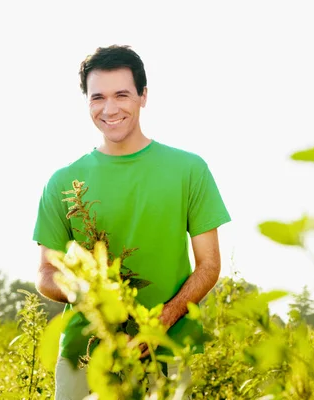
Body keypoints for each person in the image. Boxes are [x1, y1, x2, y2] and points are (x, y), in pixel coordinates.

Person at [33, 44, 231, 399]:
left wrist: (160, 322)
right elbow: (46, 275)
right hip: (85, 354)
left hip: (165, 349)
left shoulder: (189, 170)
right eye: (98, 97)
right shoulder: (62, 182)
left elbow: (209, 265)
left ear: (143, 96)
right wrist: (97, 301)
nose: (109, 109)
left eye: (122, 94)